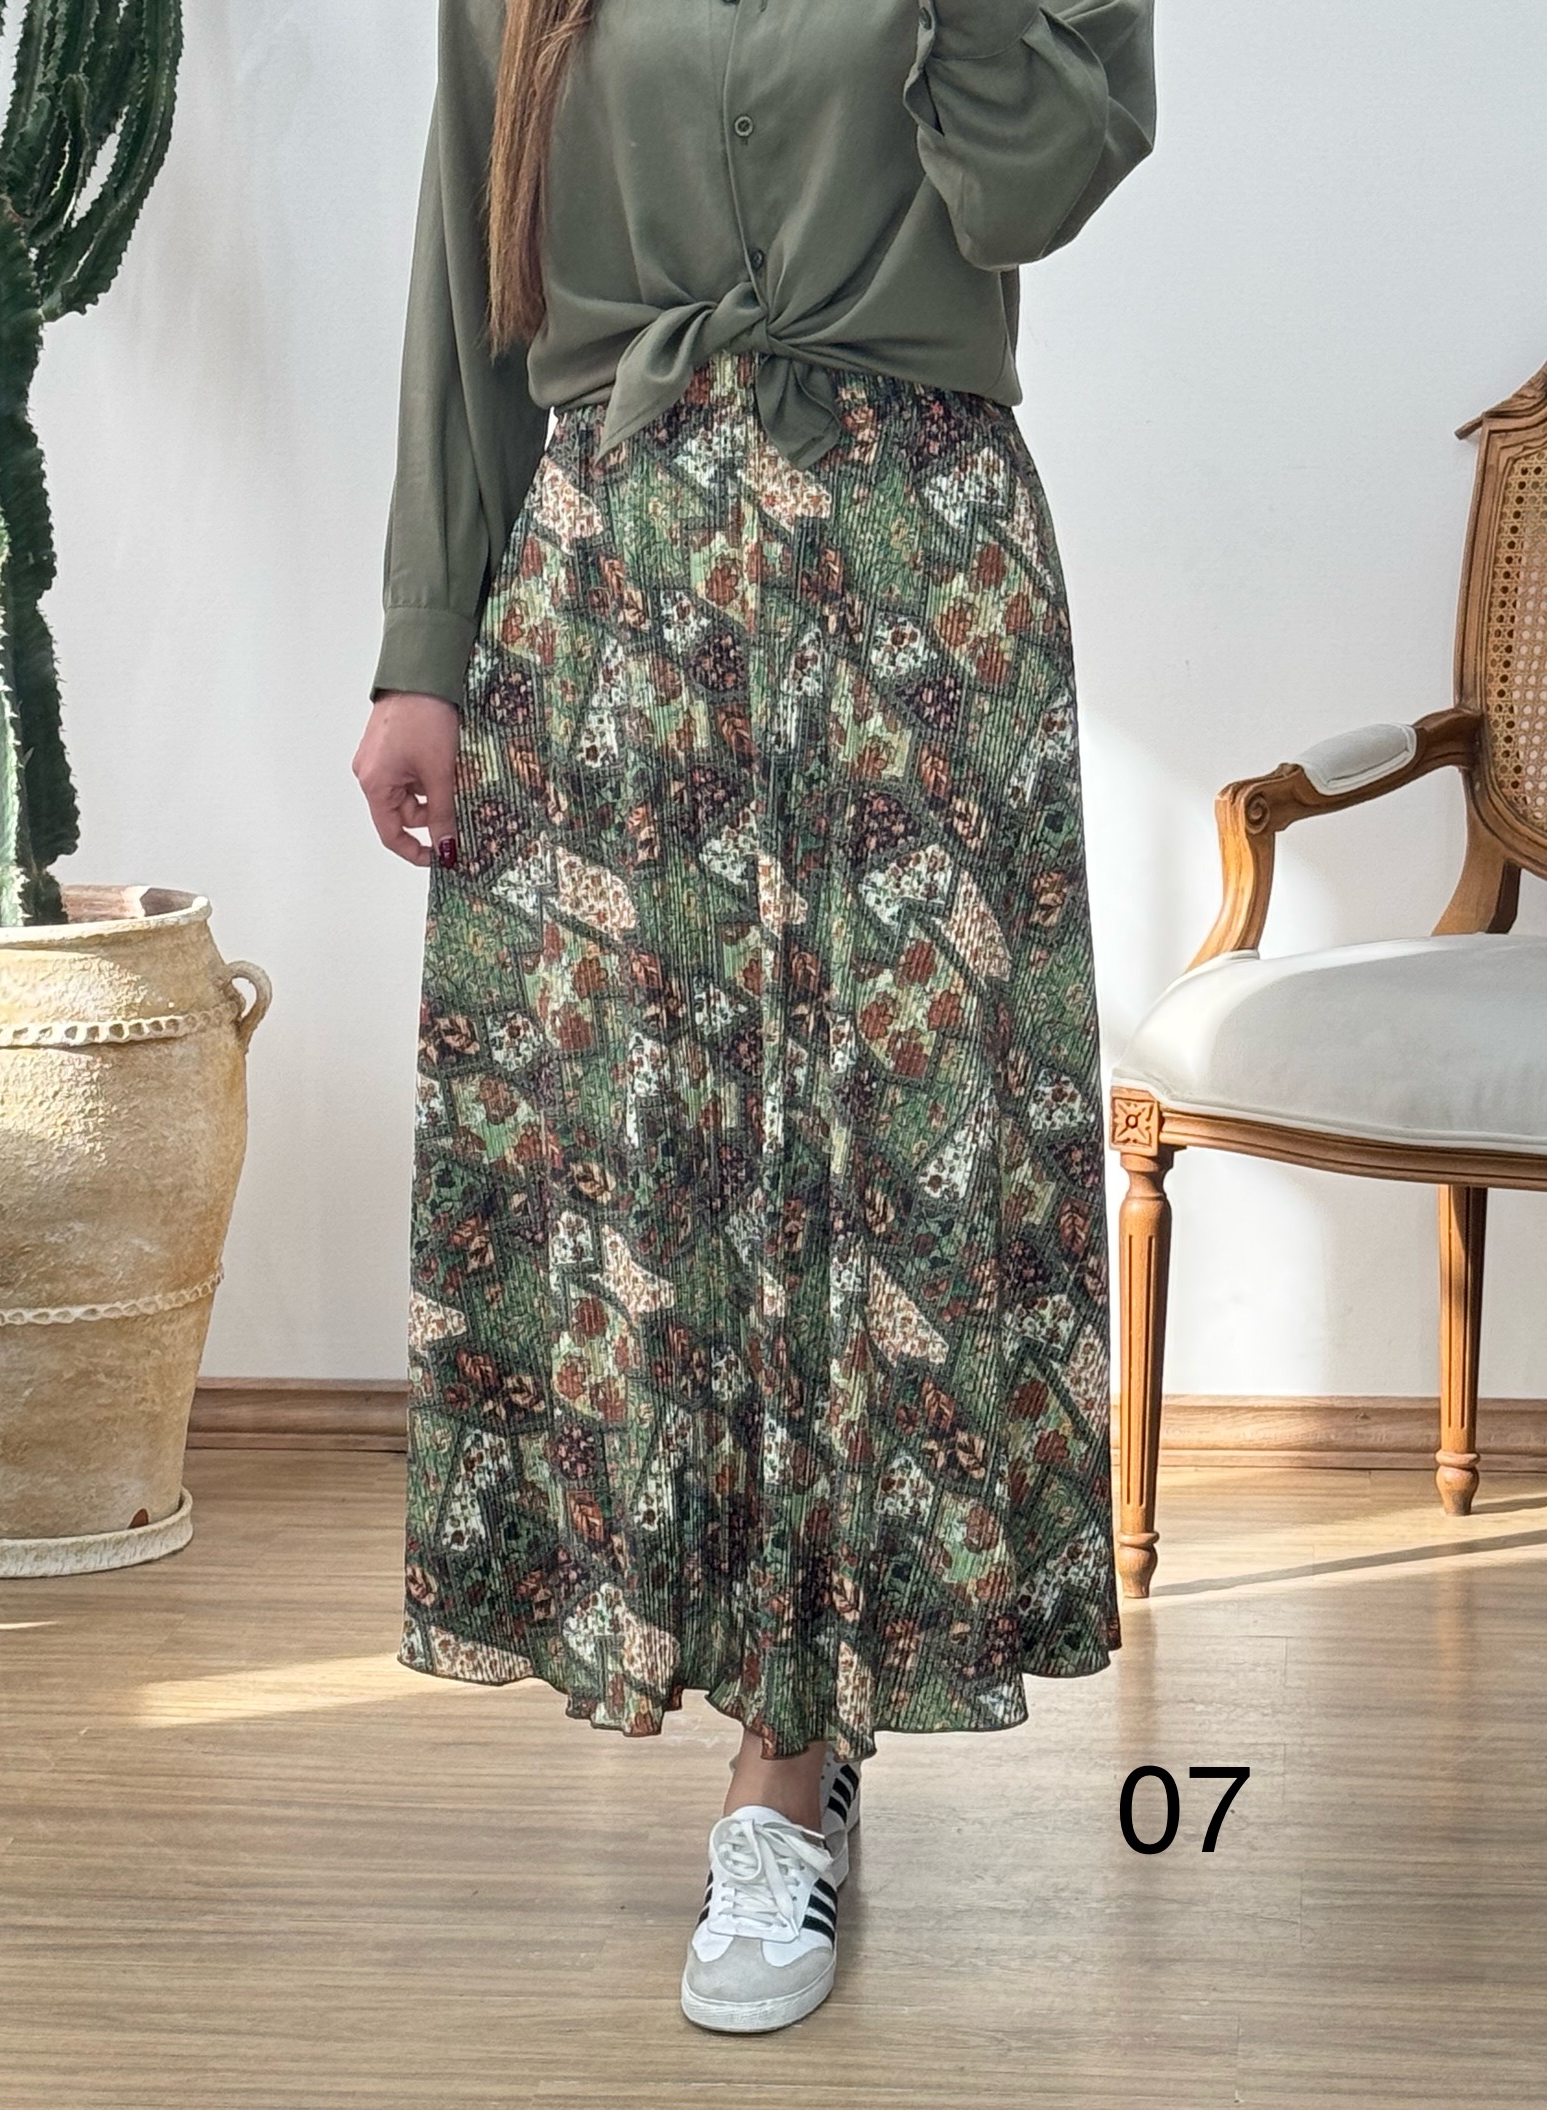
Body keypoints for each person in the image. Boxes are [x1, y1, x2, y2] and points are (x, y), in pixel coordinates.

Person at [353, 0, 1156, 2036]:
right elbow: (468, 276)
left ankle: (784, 1774)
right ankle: (745, 1686)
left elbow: (1033, 179)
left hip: (915, 587)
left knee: (881, 1189)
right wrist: (421, 644)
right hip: (611, 596)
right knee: (656, 1184)